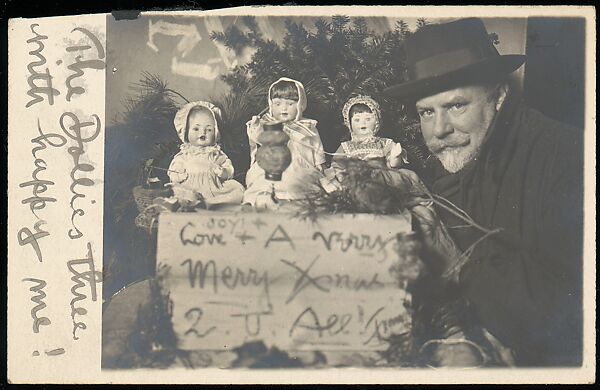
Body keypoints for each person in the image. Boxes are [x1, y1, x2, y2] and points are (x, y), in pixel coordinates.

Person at [383, 17, 583, 366]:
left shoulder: (569, 159)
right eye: (426, 112)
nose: (440, 130)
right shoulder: (450, 165)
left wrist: (458, 264)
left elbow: (570, 319)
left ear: (500, 97)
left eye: (456, 105)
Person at [243, 77, 326, 209]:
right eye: (278, 104)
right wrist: (254, 127)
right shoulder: (267, 124)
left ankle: (292, 199)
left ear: (300, 105)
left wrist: (319, 164)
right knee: (263, 179)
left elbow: (317, 147)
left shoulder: (307, 126)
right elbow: (258, 139)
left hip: (300, 165)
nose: (284, 108)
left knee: (297, 179)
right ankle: (263, 197)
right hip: (272, 164)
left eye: (290, 104)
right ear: (270, 105)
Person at [168, 101, 244, 208]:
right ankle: (194, 204)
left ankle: (210, 204)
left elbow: (227, 166)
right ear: (186, 131)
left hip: (213, 189)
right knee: (179, 194)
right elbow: (173, 170)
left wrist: (224, 172)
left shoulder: (215, 153)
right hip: (190, 188)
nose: (202, 133)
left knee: (236, 190)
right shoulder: (185, 154)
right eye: (196, 128)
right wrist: (178, 175)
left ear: (216, 132)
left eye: (209, 129)